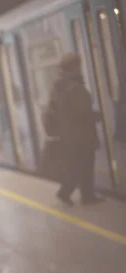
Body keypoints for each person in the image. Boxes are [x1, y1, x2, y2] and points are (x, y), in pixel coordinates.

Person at [45, 54, 104, 206]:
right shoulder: (73, 85)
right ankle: (79, 195)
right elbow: (81, 112)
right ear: (73, 67)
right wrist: (97, 115)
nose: (80, 67)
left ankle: (78, 193)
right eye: (78, 64)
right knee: (84, 164)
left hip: (68, 134)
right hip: (80, 133)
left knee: (78, 165)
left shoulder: (58, 86)